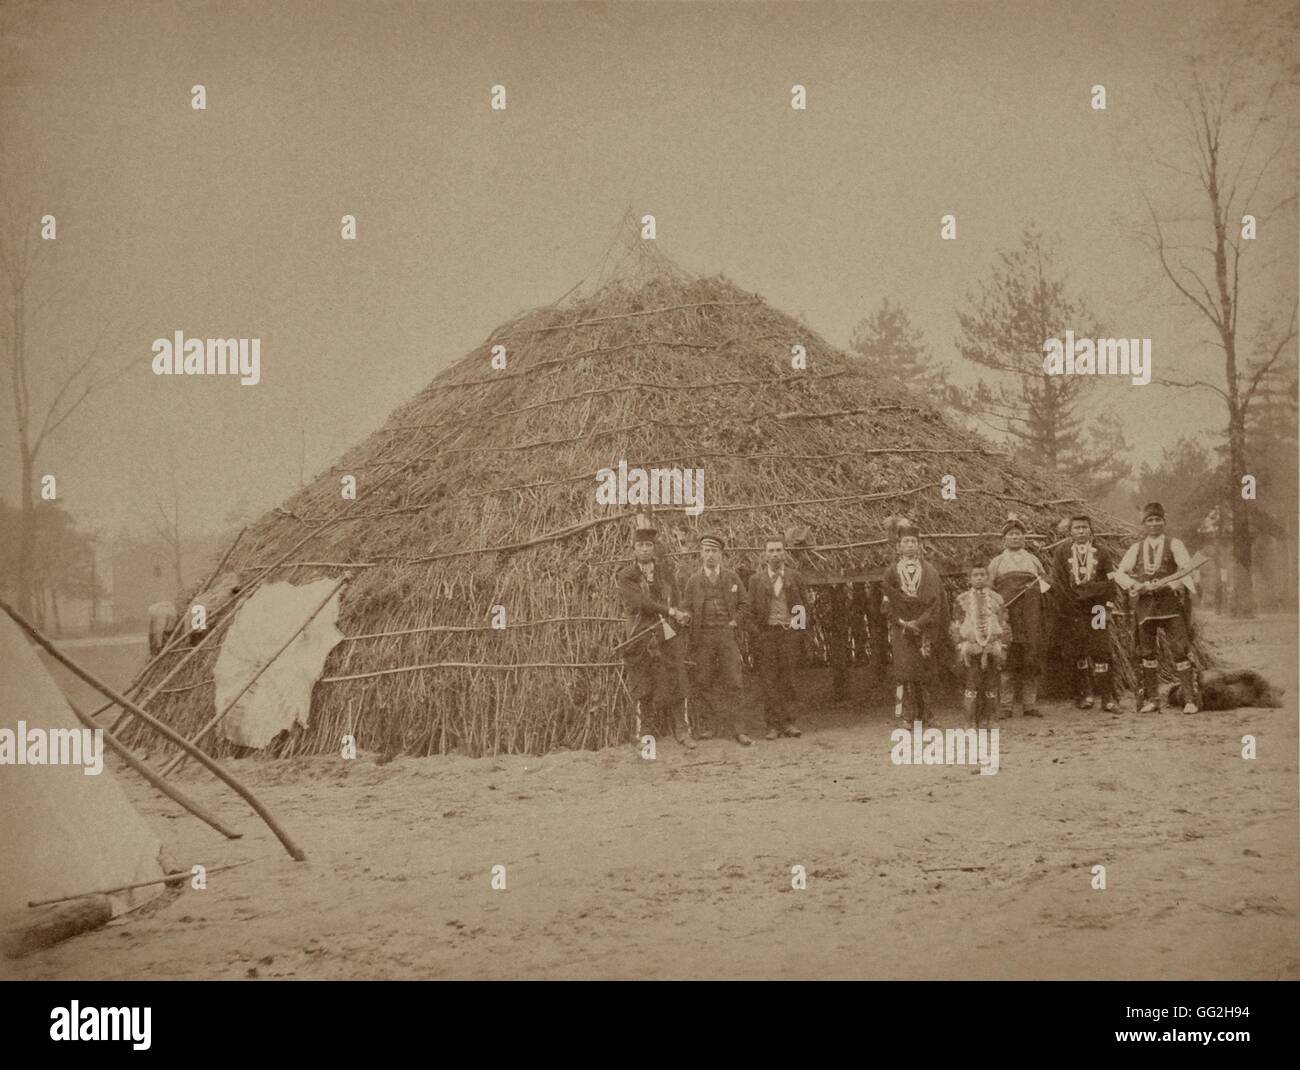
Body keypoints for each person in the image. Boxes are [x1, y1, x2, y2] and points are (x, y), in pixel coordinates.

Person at [1115, 502, 1199, 714]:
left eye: (1157, 520)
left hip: (1170, 604)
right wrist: (1135, 585)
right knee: (1147, 652)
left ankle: (1190, 699)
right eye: (1149, 521)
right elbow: (1120, 573)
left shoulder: (1175, 544)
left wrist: (1171, 584)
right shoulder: (1136, 548)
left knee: (1180, 649)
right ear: (1143, 524)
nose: (1154, 524)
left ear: (1164, 521)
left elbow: (1189, 571)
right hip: (1146, 606)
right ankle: (1152, 699)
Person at [615, 523, 694, 748]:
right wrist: (670, 611)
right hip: (640, 634)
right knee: (643, 682)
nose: (645, 549)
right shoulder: (626, 576)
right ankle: (645, 732)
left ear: (654, 548)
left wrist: (680, 614)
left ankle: (682, 729)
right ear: (633, 549)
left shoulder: (665, 572)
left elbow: (676, 598)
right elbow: (641, 603)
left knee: (677, 676)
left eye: (649, 545)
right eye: (640, 545)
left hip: (667, 633)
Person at [682, 533, 754, 746]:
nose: (710, 555)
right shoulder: (694, 581)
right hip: (703, 637)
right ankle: (708, 726)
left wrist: (735, 621)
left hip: (726, 635)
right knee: (703, 680)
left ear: (721, 555)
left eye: (714, 551)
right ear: (700, 554)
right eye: (707, 551)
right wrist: (686, 616)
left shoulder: (731, 577)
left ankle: (739, 729)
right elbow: (686, 607)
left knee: (734, 681)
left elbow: (745, 603)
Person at [880, 517, 945, 720]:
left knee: (924, 671)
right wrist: (903, 623)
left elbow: (935, 602)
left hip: (923, 627)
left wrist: (919, 623)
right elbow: (887, 604)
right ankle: (907, 715)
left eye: (913, 542)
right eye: (905, 542)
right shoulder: (891, 572)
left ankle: (926, 714)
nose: (910, 545)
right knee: (905, 671)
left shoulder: (929, 571)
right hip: (901, 629)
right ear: (898, 547)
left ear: (919, 545)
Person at [1051, 514, 1117, 712]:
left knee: (1101, 650)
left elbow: (1110, 582)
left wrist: (1106, 605)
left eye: (1084, 528)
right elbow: (1059, 582)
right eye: (1077, 528)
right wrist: (1071, 603)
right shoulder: (1062, 552)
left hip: (1097, 609)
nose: (1080, 531)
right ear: (1070, 532)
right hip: (1073, 609)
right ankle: (1085, 694)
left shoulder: (1102, 552)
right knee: (1078, 650)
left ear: (1091, 530)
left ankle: (1107, 697)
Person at [746, 536, 807, 740]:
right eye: (771, 551)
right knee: (769, 680)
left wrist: (798, 631)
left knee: (788, 679)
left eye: (778, 550)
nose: (775, 554)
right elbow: (750, 610)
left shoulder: (795, 577)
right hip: (767, 635)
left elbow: (803, 606)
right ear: (764, 555)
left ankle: (790, 722)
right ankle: (773, 725)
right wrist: (758, 634)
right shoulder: (756, 580)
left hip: (789, 634)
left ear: (784, 552)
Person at [987, 517, 1048, 717]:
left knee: (1030, 659)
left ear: (1024, 537)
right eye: (1011, 534)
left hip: (1030, 617)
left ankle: (1029, 705)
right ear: (1004, 539)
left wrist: (1035, 589)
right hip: (1008, 617)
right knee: (1007, 661)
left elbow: (1045, 585)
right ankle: (1006, 705)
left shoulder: (1033, 560)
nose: (1015, 537)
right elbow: (989, 591)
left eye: (1019, 534)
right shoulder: (997, 563)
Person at [949, 562, 1009, 723]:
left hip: (992, 647)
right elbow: (955, 625)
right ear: (969, 579)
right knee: (971, 687)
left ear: (988, 577)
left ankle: (990, 721)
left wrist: (1002, 646)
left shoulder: (997, 599)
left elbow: (1004, 624)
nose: (979, 578)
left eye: (982, 575)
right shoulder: (962, 600)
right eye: (975, 575)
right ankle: (970, 723)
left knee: (991, 686)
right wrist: (960, 645)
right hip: (970, 648)